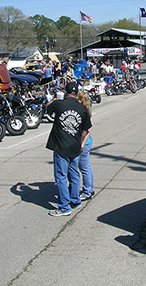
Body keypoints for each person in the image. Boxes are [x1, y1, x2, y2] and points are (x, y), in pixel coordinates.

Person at [46, 82, 92, 216]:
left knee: (61, 177)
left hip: (61, 146)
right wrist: (82, 144)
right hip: (75, 146)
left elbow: (48, 109)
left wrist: (55, 99)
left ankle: (64, 207)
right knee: (74, 174)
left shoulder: (59, 104)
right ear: (77, 93)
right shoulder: (82, 109)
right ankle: (75, 200)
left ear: (65, 92)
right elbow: (85, 130)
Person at [77, 91, 94, 201]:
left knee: (84, 168)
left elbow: (86, 131)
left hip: (84, 143)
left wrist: (81, 144)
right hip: (85, 142)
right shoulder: (85, 110)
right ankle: (89, 188)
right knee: (86, 167)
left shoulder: (83, 112)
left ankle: (87, 190)